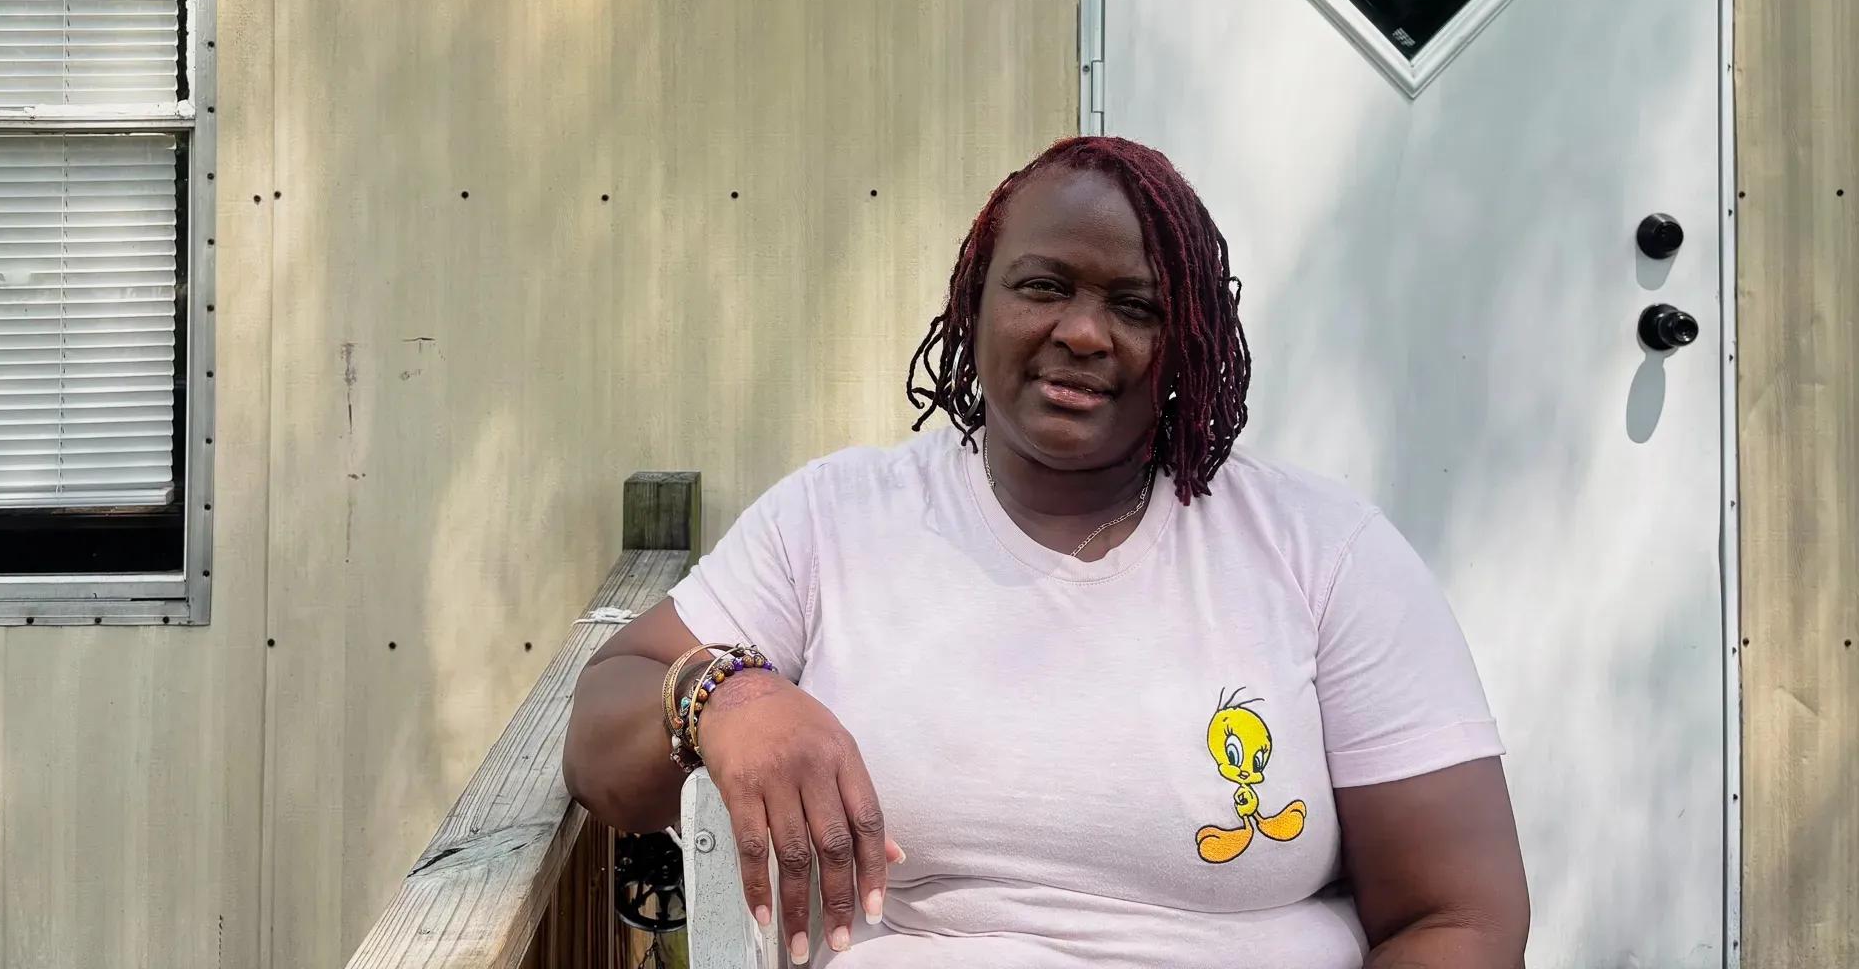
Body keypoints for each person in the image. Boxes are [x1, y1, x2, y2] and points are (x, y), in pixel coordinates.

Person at [564, 136, 1528, 967]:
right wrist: (722, 694)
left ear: (1190, 341)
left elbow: (1462, 915)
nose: (1080, 331)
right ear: (973, 304)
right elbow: (601, 738)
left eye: (1136, 306)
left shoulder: (1326, 554)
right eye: (1043, 287)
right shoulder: (835, 519)